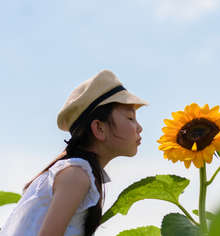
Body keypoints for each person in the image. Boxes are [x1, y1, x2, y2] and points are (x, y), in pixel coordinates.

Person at [1, 70, 148, 236]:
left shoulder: (76, 172)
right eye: (130, 118)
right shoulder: (76, 174)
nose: (139, 127)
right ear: (99, 128)